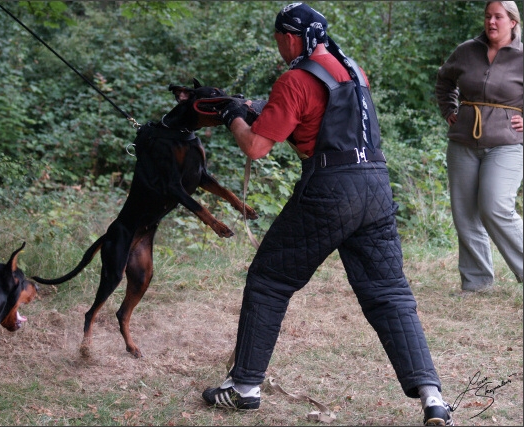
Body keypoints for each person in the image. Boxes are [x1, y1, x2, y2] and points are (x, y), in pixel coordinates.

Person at [202, 3, 453, 426]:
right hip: (375, 184)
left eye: (279, 37)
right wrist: (259, 106)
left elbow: (256, 147)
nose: (279, 45)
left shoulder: (294, 78)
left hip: (331, 189)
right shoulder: (351, 69)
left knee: (269, 279)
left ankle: (244, 386)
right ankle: (433, 398)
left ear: (291, 38)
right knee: (389, 293)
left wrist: (232, 117)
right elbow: (320, 115)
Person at [435, 1, 523, 293]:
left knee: (495, 206)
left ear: (512, 21)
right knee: (464, 213)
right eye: (487, 16)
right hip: (463, 141)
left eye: (498, 17)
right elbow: (444, 81)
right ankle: (477, 283)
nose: (491, 22)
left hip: (507, 143)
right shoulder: (467, 50)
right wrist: (449, 107)